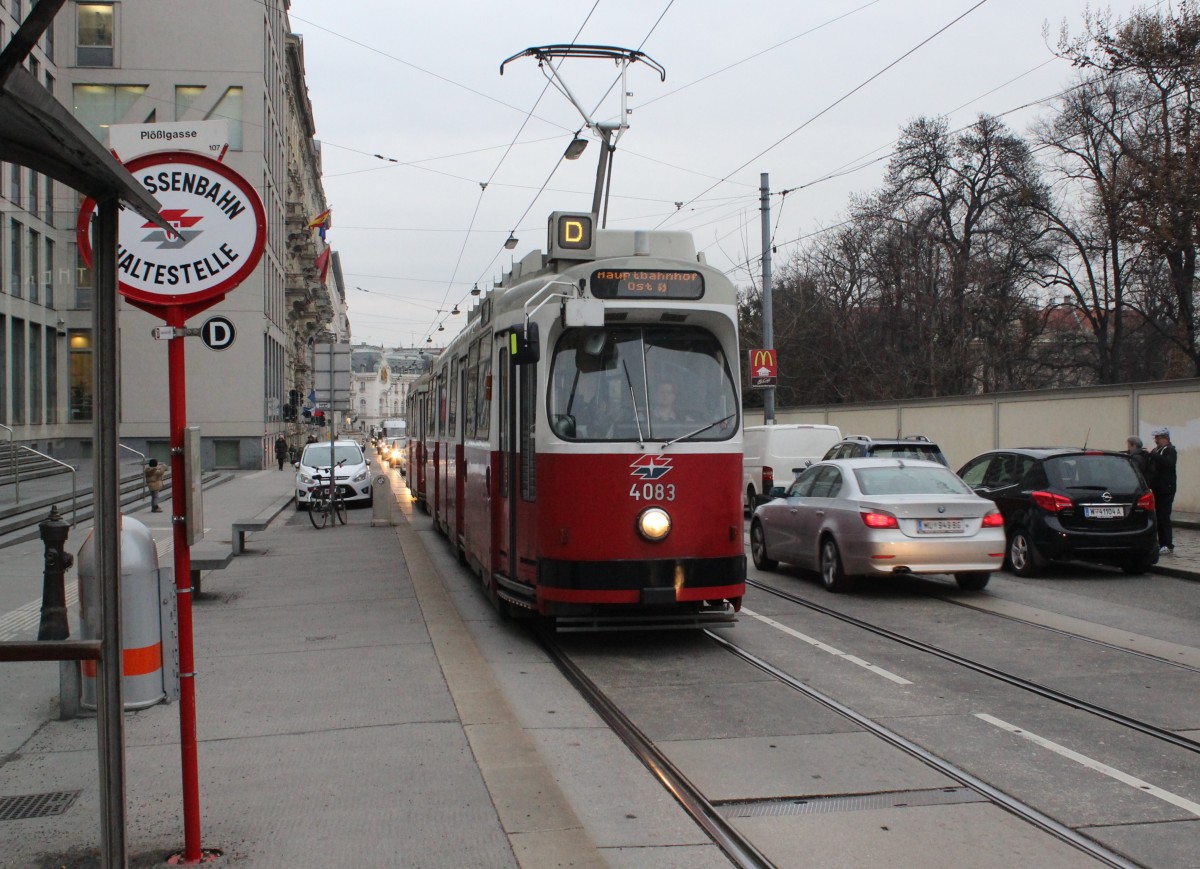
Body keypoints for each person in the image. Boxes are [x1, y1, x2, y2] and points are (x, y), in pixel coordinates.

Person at [1147, 426, 1177, 555]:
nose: (1156, 441)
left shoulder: (1170, 450)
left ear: (1165, 438)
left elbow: (1168, 463)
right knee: (1158, 517)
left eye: (1158, 438)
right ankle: (1160, 542)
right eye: (1155, 438)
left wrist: (1152, 454)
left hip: (1166, 489)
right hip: (1157, 489)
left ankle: (1167, 544)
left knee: (1164, 517)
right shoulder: (1157, 450)